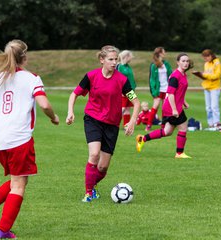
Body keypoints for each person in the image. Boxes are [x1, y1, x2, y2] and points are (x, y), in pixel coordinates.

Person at [0, 39, 59, 239]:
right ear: (25, 57)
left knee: (17, 179)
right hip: (19, 138)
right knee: (19, 185)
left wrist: (0, 116)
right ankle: (3, 231)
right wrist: (53, 117)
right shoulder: (31, 78)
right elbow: (45, 104)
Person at [66, 45, 140, 202]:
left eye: (116, 59)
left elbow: (136, 102)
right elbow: (75, 94)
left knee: (102, 167)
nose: (114, 63)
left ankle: (92, 186)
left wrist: (132, 121)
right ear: (102, 60)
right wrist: (70, 112)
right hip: (93, 119)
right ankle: (88, 193)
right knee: (94, 154)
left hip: (112, 124)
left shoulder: (122, 79)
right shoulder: (91, 76)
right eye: (111, 59)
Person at [136, 53, 193, 159]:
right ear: (178, 62)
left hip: (175, 107)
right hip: (172, 108)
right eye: (183, 61)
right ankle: (179, 153)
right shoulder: (175, 76)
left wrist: (184, 102)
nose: (186, 63)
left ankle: (142, 138)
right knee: (183, 127)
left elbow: (178, 92)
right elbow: (170, 94)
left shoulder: (183, 74)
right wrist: (175, 109)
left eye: (187, 61)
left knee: (167, 132)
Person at [192, 49, 221, 128]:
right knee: (208, 107)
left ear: (211, 55)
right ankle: (210, 123)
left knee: (214, 106)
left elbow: (217, 76)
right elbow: (207, 75)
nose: (205, 59)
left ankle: (217, 122)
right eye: (204, 58)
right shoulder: (206, 64)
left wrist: (204, 75)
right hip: (207, 87)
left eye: (206, 57)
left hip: (215, 87)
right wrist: (199, 74)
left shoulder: (217, 62)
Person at [147, 47, 173, 132]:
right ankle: (149, 124)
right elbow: (152, 79)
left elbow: (171, 75)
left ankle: (163, 124)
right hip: (158, 90)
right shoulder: (154, 65)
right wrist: (154, 91)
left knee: (164, 107)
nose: (165, 53)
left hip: (166, 89)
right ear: (160, 53)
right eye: (164, 52)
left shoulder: (166, 63)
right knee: (156, 105)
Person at [117, 50, 137, 128]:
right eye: (130, 57)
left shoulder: (128, 66)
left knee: (128, 108)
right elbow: (117, 79)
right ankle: (114, 123)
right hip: (124, 90)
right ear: (126, 57)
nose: (131, 58)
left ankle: (126, 125)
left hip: (131, 90)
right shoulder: (119, 66)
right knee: (123, 108)